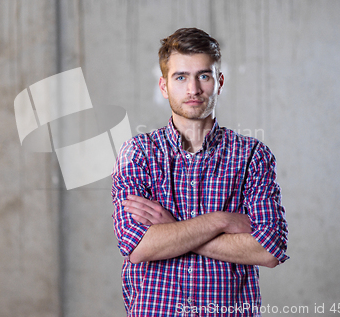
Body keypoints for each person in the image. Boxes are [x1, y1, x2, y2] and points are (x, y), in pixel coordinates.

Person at [111, 28, 289, 317]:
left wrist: (173, 229)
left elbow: (269, 251)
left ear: (219, 82)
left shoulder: (252, 155)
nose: (193, 89)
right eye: (180, 77)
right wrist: (220, 220)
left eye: (203, 76)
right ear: (164, 86)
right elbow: (139, 247)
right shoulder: (138, 153)